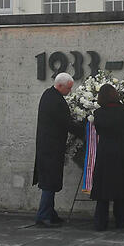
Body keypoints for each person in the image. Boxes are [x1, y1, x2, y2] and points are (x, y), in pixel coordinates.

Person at [32, 72, 82, 227]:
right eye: (68, 88)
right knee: (49, 182)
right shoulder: (55, 100)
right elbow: (65, 123)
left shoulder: (49, 96)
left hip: (48, 146)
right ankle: (43, 215)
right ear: (60, 86)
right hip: (51, 148)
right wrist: (85, 130)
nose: (70, 92)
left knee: (50, 181)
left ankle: (50, 213)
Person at [89, 83, 124, 231]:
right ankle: (121, 222)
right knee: (123, 189)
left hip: (105, 153)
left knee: (103, 191)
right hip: (122, 152)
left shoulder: (98, 113)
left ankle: (100, 223)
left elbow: (98, 131)